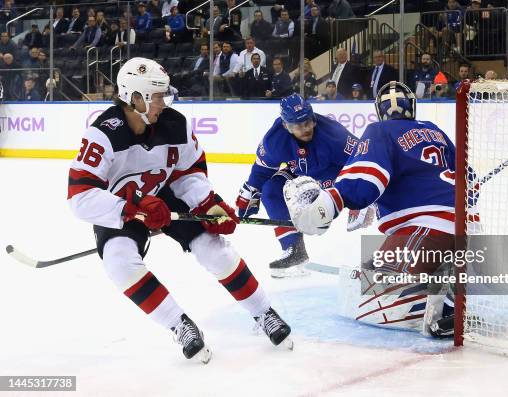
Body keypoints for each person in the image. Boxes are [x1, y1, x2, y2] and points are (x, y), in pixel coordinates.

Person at [66, 57, 293, 363]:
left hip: (166, 198)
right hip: (122, 207)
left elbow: (189, 174)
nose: (164, 102)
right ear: (136, 98)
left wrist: (207, 203)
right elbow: (80, 196)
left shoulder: (176, 125)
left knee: (214, 248)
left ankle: (263, 312)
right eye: (158, 96)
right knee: (119, 261)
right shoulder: (102, 134)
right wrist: (130, 209)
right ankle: (179, 324)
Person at [283, 81, 456, 336]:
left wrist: (329, 204)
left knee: (371, 301)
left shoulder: (380, 130)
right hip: (463, 229)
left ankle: (445, 300)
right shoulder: (436, 131)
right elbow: (471, 182)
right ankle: (450, 276)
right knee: (370, 271)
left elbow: (364, 182)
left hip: (429, 230)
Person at [236, 94, 357, 277]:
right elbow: (261, 171)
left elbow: (361, 162)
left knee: (313, 207)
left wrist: (361, 202)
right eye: (297, 126)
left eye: (307, 123)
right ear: (286, 126)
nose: (305, 129)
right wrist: (250, 191)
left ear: (313, 119)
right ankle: (294, 249)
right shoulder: (274, 140)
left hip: (332, 173)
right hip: (300, 171)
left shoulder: (334, 135)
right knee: (270, 191)